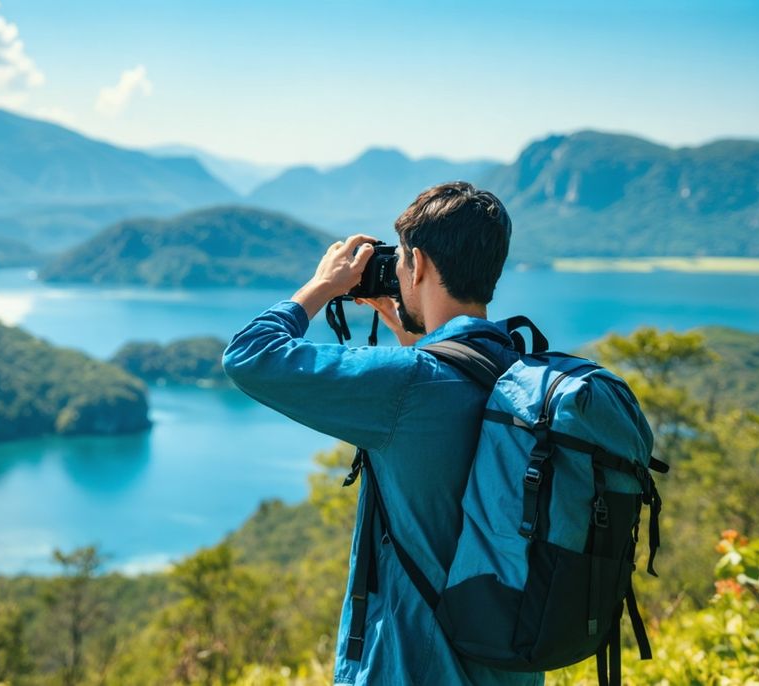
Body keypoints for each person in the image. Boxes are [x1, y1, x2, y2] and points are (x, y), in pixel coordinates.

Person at [222, 182, 542, 685]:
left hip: (409, 668)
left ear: (419, 264)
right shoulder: (521, 373)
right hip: (506, 667)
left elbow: (250, 356)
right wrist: (418, 341)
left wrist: (322, 286)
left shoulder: (408, 385)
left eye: (400, 260)